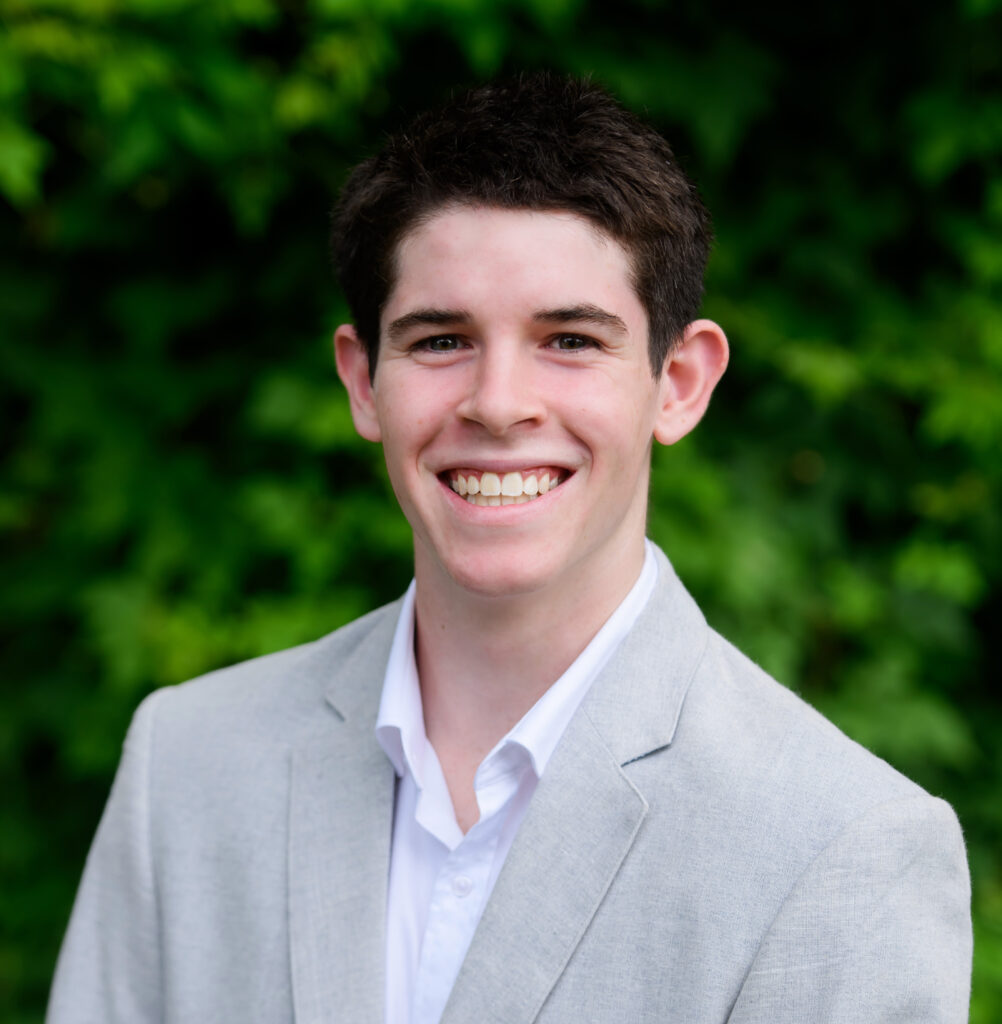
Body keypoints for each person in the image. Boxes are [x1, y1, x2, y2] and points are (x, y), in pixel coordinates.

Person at [48, 74, 972, 1024]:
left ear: (679, 383)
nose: (497, 404)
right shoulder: (186, 766)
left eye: (569, 340)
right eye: (440, 340)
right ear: (363, 382)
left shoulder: (843, 849)